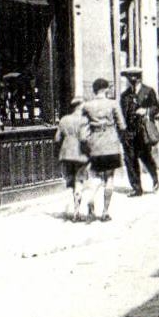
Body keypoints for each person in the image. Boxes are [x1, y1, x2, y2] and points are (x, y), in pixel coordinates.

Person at [81, 77, 127, 219]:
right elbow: (122, 125)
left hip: (95, 144)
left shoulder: (87, 106)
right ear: (106, 89)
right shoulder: (113, 104)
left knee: (95, 176)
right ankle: (105, 212)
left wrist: (87, 142)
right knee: (109, 177)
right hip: (110, 143)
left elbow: (83, 129)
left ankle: (90, 199)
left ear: (94, 90)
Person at [118, 66, 159, 196]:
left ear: (138, 77)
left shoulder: (148, 91)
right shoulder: (124, 95)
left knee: (145, 157)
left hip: (142, 130)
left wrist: (146, 111)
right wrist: (121, 132)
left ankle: (154, 178)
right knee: (129, 159)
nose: (131, 79)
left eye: (134, 76)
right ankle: (137, 188)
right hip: (129, 132)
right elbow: (121, 114)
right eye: (129, 77)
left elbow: (157, 107)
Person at [54, 93, 90, 221]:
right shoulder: (84, 120)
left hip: (66, 154)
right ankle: (76, 212)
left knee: (72, 181)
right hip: (80, 154)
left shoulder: (64, 119)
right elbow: (84, 138)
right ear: (81, 106)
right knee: (79, 181)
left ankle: (76, 207)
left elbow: (57, 138)